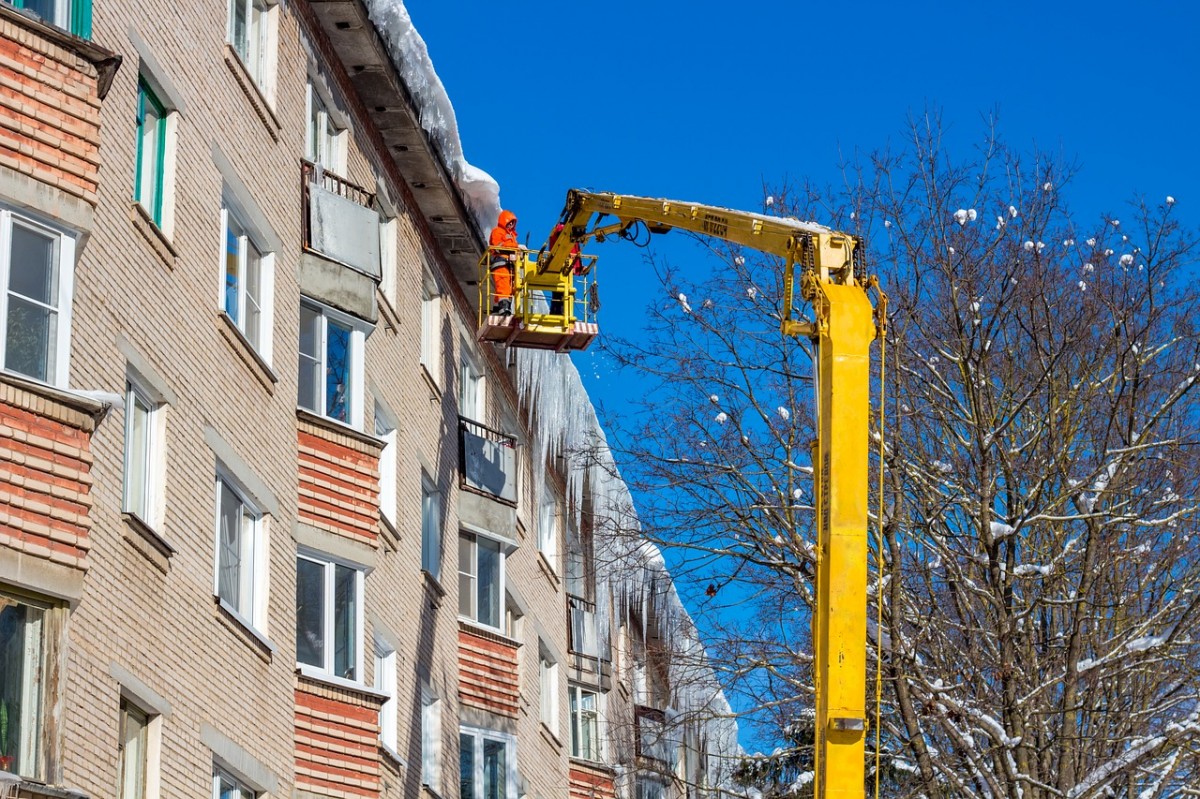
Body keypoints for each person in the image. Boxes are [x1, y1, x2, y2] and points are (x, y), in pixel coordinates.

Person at [488, 209, 519, 315]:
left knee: (509, 289)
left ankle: (499, 310)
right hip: (501, 262)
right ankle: (504, 309)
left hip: (510, 265)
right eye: (510, 222)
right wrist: (515, 247)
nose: (511, 224)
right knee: (503, 286)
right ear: (504, 221)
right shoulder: (497, 231)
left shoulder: (512, 237)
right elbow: (497, 246)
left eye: (513, 223)